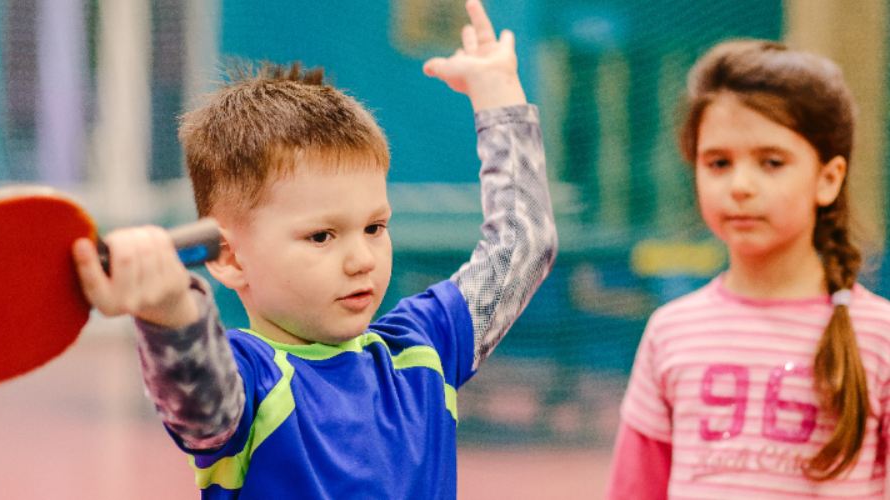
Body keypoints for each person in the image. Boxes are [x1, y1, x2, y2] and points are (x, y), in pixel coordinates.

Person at [72, 0, 557, 498]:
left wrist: (498, 94)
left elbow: (523, 244)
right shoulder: (248, 381)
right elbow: (201, 403)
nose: (361, 259)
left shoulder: (423, 349)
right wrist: (169, 308)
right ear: (231, 259)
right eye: (321, 236)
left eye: (374, 227)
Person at [606, 39, 890, 499]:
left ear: (828, 178)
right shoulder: (670, 331)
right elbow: (635, 488)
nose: (740, 186)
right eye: (718, 162)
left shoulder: (878, 334)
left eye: (771, 162)